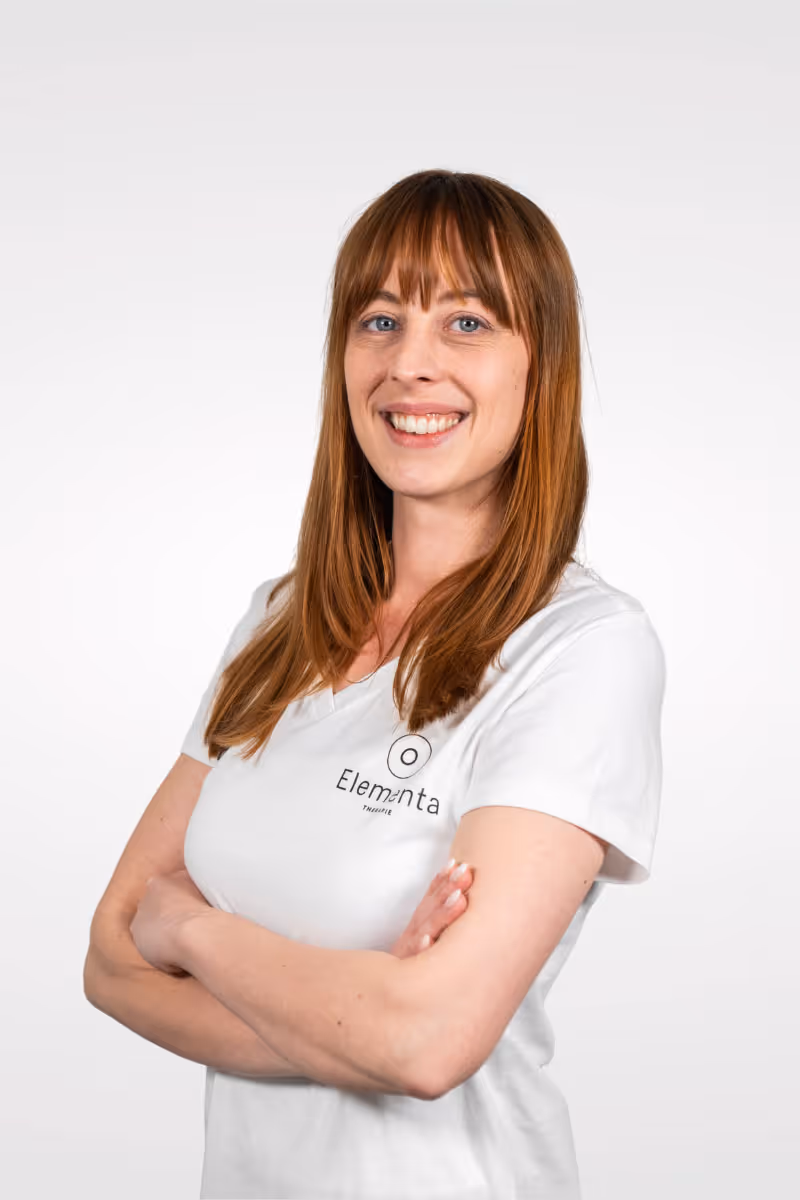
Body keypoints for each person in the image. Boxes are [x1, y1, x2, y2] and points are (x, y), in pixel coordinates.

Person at [94, 169, 666, 1199]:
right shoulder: (276, 625)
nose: (409, 362)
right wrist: (358, 1014)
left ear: (541, 365)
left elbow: (428, 1045)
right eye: (379, 319)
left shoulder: (582, 649)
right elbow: (107, 962)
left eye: (466, 323)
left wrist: (187, 930)